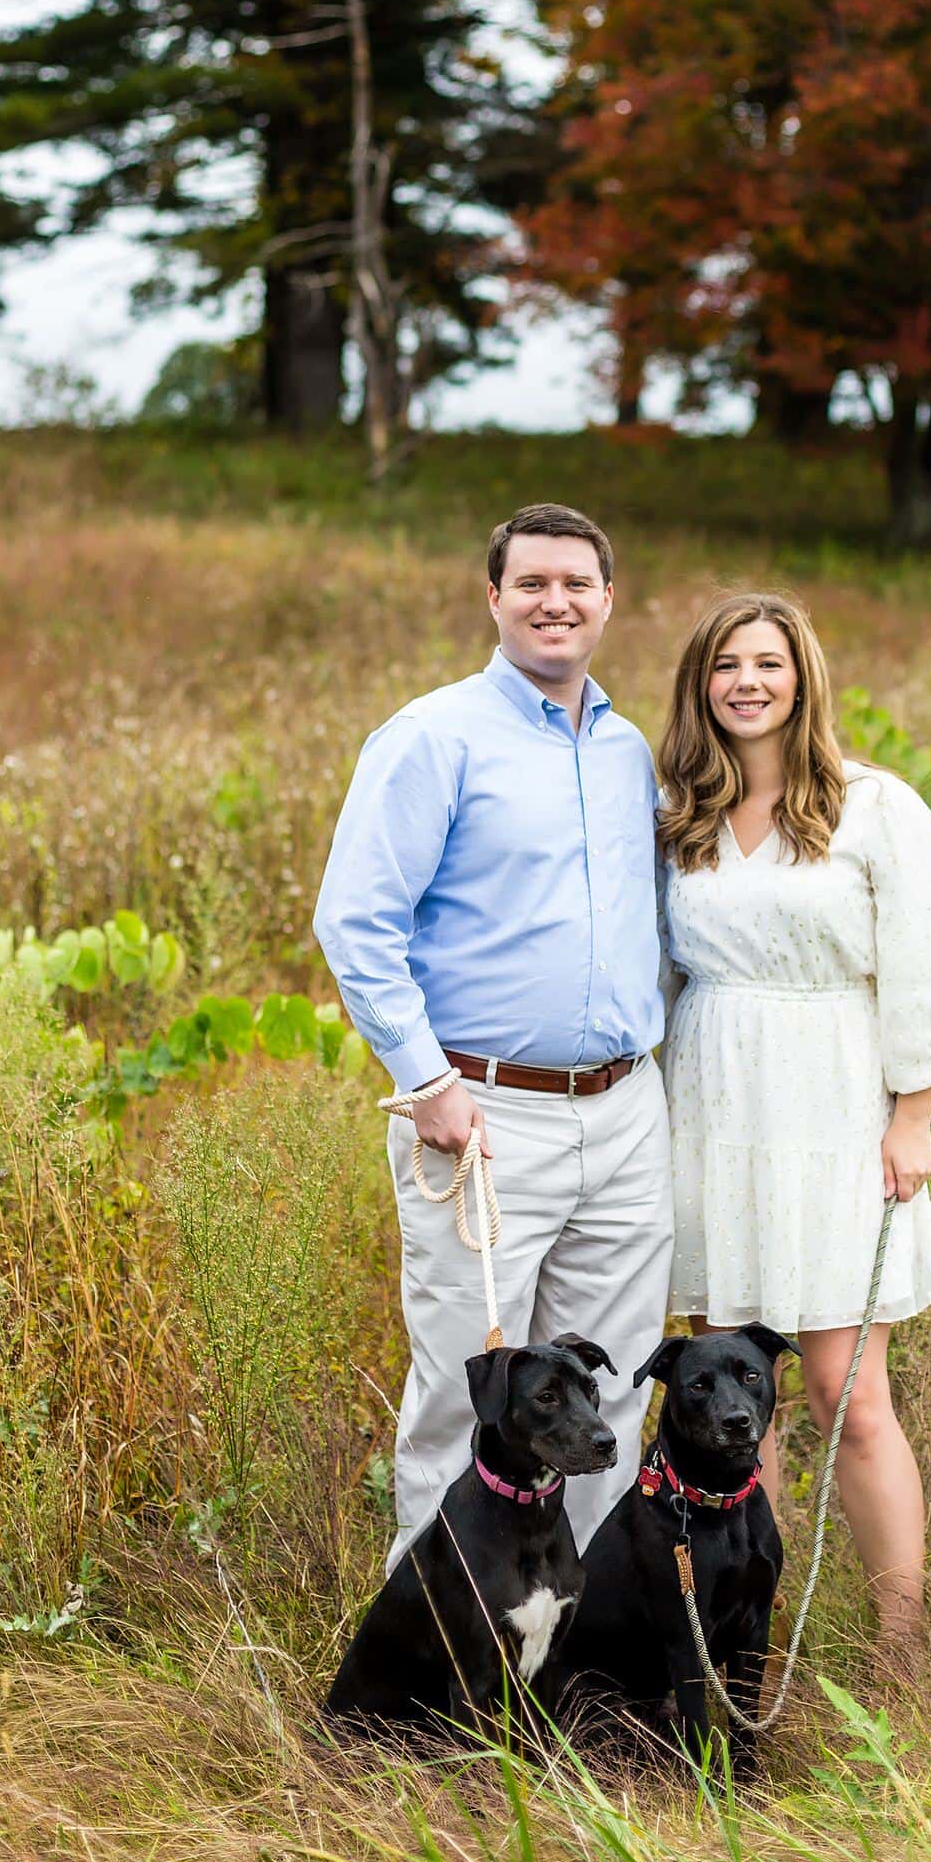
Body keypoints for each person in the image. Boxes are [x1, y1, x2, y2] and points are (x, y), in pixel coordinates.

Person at [313, 503, 672, 1573]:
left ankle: (580, 1664)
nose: (555, 602)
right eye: (531, 584)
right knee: (462, 1395)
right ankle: (435, 1673)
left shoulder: (625, 750)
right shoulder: (432, 736)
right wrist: (425, 1083)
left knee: (605, 1408)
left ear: (608, 600)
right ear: (494, 598)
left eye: (576, 584)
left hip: (622, 1112)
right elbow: (355, 922)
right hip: (481, 1113)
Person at [655, 590, 931, 1649]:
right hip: (712, 1108)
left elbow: (920, 973)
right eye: (725, 666)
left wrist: (912, 1114)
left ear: (802, 678)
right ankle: (746, 1641)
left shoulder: (875, 806)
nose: (747, 682)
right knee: (730, 1394)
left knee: (844, 1389)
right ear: (701, 686)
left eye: (768, 663)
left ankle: (898, 1650)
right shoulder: (677, 814)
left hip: (835, 1105)